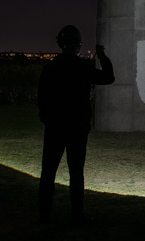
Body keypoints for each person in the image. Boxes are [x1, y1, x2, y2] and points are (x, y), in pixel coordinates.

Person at [37, 25, 115, 225]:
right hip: (77, 128)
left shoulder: (50, 68)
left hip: (55, 127)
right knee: (76, 173)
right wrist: (102, 56)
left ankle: (44, 215)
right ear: (78, 45)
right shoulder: (83, 68)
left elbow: (41, 98)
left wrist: (47, 118)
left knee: (48, 173)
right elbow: (109, 77)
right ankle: (77, 215)